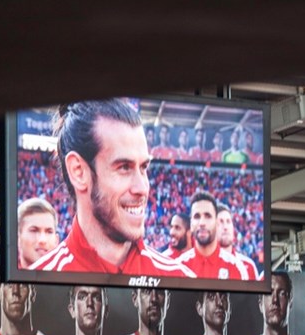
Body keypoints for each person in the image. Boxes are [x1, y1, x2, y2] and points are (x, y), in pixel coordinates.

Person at [29, 99, 195, 277]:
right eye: (124, 167)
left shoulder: (180, 280)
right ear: (78, 171)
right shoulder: (34, 288)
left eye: (143, 167)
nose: (142, 188)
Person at [174, 192, 257, 280]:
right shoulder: (178, 267)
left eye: (208, 216)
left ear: (216, 222)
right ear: (191, 224)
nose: (202, 223)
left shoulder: (237, 268)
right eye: (197, 216)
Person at [214, 207, 260, 278]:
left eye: (228, 221)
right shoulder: (203, 265)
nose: (225, 227)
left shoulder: (249, 266)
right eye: (220, 222)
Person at [16, 197, 59, 269]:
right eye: (34, 230)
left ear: (56, 241)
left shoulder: (71, 278)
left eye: (49, 232)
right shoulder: (4, 276)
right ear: (18, 238)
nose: (42, 240)